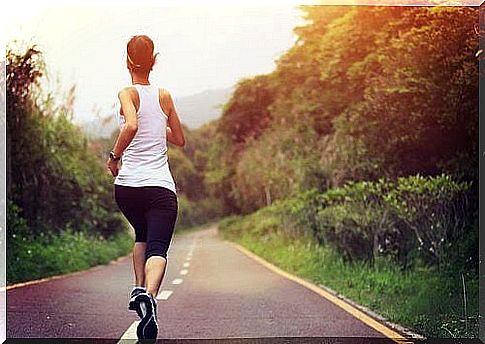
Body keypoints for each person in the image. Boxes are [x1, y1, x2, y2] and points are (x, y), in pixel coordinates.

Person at [106, 34, 185, 340]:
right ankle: (149, 297)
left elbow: (131, 124)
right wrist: (157, 124)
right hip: (160, 188)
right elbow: (178, 138)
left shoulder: (127, 93)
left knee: (141, 234)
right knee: (157, 247)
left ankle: (140, 291)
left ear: (128, 61)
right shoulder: (164, 96)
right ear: (154, 61)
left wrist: (115, 159)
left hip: (127, 187)